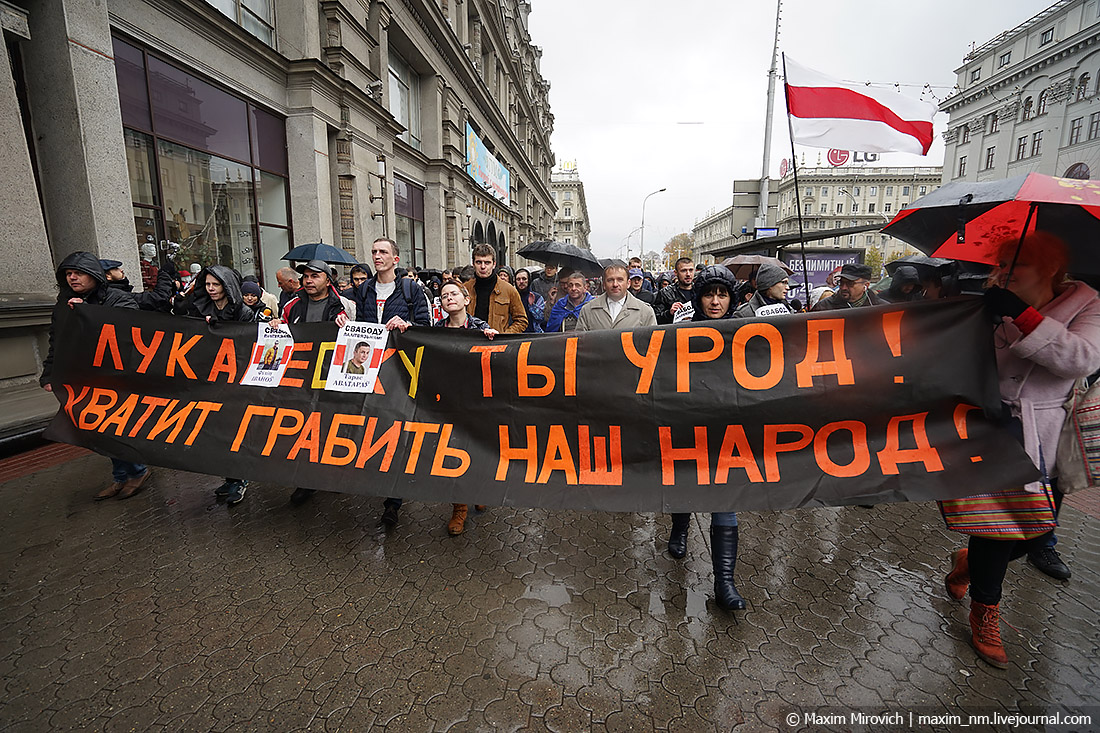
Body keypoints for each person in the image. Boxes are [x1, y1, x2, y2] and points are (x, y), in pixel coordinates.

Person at [943, 232, 1100, 668]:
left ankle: (967, 563)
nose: (1001, 275)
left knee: (1033, 536)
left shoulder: (1088, 304)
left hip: (1047, 432)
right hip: (992, 430)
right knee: (994, 531)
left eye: (1014, 267)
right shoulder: (990, 301)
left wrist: (1024, 317)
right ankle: (984, 612)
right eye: (999, 266)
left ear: (1050, 268)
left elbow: (1082, 359)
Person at [666, 265, 747, 611]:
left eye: (722, 294)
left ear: (731, 297)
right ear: (699, 298)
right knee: (686, 485)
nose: (715, 301)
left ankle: (724, 582)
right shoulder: (681, 329)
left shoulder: (748, 329)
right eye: (709, 294)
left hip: (728, 428)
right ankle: (679, 530)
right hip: (687, 423)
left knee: (725, 501)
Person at [41, 253, 150, 500]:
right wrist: (49, 374)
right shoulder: (64, 304)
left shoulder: (118, 299)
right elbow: (57, 341)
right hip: (83, 377)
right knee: (97, 429)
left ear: (94, 276)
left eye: (78, 273)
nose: (73, 278)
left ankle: (137, 472)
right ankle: (121, 477)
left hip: (116, 377)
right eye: (68, 274)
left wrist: (87, 313)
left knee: (117, 427)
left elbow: (131, 335)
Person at [351, 238, 432, 526]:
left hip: (399, 372)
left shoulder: (411, 290)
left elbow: (425, 328)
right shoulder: (363, 290)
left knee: (396, 429)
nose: (376, 256)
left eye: (383, 252)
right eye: (373, 251)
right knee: (375, 427)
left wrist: (407, 326)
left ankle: (393, 501)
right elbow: (360, 326)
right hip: (371, 371)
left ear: (396, 259)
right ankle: (381, 482)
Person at [175, 265, 259, 505]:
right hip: (210, 380)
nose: (211, 289)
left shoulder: (243, 311)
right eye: (208, 285)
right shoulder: (201, 307)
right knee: (220, 432)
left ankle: (240, 479)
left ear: (227, 286)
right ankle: (230, 478)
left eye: (216, 285)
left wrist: (220, 329)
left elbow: (248, 342)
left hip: (236, 382)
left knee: (236, 431)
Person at [435, 281, 499, 534]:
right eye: (443, 296)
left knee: (478, 447)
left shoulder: (480, 328)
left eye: (453, 294)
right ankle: (459, 508)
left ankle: (479, 489)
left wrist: (493, 340)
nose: (449, 298)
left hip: (476, 400)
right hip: (449, 400)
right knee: (454, 452)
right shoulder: (435, 331)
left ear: (466, 299)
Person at [461, 244, 529, 333]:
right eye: (479, 262)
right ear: (473, 264)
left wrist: (503, 335)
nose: (483, 266)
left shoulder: (509, 290)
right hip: (471, 341)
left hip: (497, 343)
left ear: (494, 264)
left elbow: (521, 320)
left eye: (487, 262)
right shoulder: (465, 288)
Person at [576, 262, 657, 332]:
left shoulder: (645, 312)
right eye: (610, 280)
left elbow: (653, 344)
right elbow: (580, 343)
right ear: (604, 284)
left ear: (628, 283)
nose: (615, 284)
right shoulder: (588, 310)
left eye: (620, 280)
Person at [101, 258, 177, 312]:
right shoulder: (117, 296)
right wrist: (164, 274)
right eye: (116, 269)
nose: (121, 270)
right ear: (108, 276)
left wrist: (169, 304)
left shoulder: (116, 292)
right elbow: (158, 298)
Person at [811, 263, 881, 310]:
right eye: (841, 283)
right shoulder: (824, 306)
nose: (844, 287)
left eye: (850, 284)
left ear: (866, 285)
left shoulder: (881, 308)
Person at [654, 257, 695, 324]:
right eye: (684, 271)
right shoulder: (665, 293)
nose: (688, 274)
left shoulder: (700, 291)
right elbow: (656, 318)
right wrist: (669, 313)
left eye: (691, 270)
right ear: (676, 273)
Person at [514, 268, 547, 333]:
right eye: (518, 279)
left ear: (529, 280)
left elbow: (541, 318)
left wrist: (532, 306)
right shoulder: (511, 297)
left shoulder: (537, 297)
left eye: (524, 279)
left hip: (534, 334)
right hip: (516, 334)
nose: (521, 282)